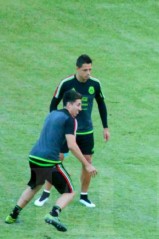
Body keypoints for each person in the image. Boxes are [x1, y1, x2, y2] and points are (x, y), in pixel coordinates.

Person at [5, 90, 97, 232]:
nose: (80, 109)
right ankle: (53, 214)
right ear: (69, 104)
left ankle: (12, 215)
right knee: (70, 192)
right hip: (48, 160)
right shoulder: (70, 120)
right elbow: (72, 145)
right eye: (78, 105)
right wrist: (87, 164)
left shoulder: (53, 114)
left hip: (34, 156)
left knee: (35, 186)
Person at [34, 54, 110, 208]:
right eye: (85, 70)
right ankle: (46, 193)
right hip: (66, 130)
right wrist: (56, 125)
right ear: (77, 69)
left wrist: (105, 127)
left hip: (86, 131)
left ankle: (84, 195)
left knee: (87, 161)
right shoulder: (66, 83)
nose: (88, 73)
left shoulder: (95, 84)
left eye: (90, 69)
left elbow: (101, 104)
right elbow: (53, 105)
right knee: (57, 160)